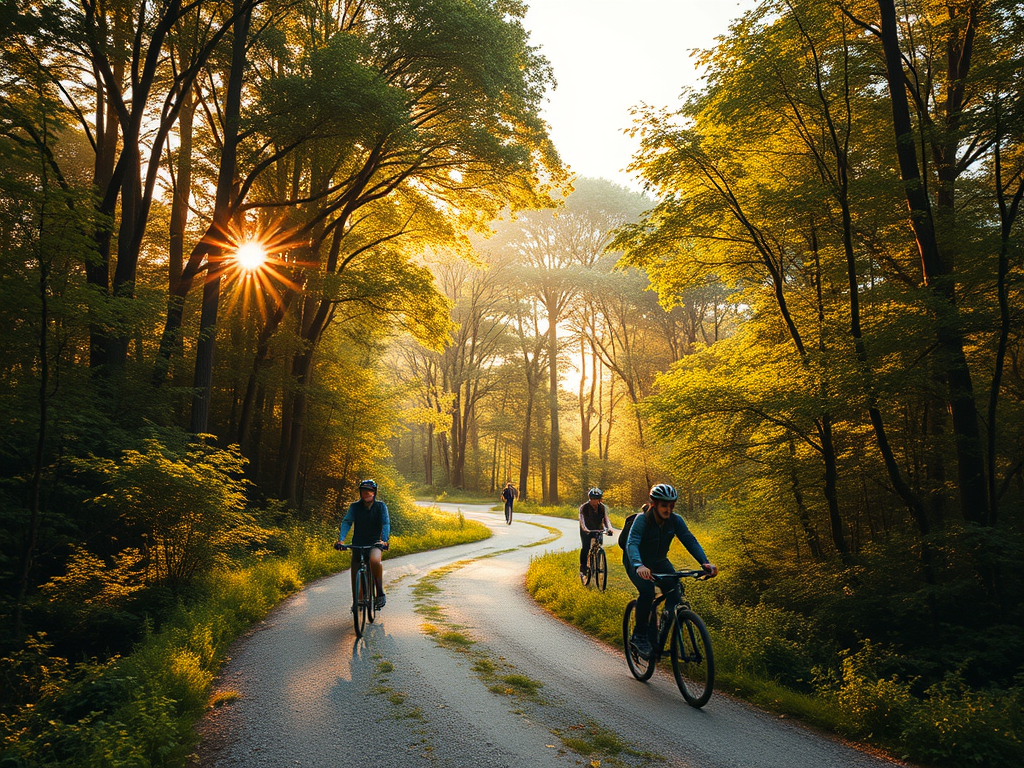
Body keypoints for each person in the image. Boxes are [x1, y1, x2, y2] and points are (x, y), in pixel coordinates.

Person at [624, 483, 717, 659]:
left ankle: (661, 634)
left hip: (659, 562)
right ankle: (640, 636)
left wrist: (705, 562)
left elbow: (690, 541)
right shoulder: (642, 520)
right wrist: (639, 565)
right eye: (664, 505)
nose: (668, 509)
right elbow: (632, 543)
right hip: (636, 563)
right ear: (654, 505)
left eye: (671, 505)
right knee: (647, 591)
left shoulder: (675, 521)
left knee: (675, 591)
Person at [334, 479, 390, 610]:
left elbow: (385, 523)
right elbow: (347, 521)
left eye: (369, 491)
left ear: (374, 492)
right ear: (360, 493)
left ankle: (380, 592)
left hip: (375, 542)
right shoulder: (355, 507)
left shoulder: (381, 506)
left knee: (375, 561)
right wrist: (341, 540)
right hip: (358, 542)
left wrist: (384, 540)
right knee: (355, 567)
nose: (366, 494)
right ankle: (357, 600)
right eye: (364, 491)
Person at [578, 487, 613, 578]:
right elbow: (582, 520)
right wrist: (585, 529)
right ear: (589, 498)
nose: (594, 501)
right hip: (586, 529)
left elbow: (606, 519)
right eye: (592, 499)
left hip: (598, 528)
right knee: (585, 548)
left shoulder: (602, 507)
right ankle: (583, 566)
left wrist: (609, 528)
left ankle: (597, 560)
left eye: (596, 499)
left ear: (600, 499)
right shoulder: (584, 507)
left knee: (599, 545)